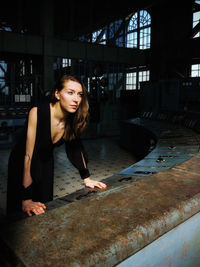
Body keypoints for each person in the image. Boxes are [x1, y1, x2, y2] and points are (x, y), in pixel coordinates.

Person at [7, 74, 107, 217]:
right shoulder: (38, 112)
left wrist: (87, 178)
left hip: (46, 160)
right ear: (57, 94)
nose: (76, 99)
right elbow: (29, 156)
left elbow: (75, 149)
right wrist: (26, 198)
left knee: (44, 205)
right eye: (70, 93)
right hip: (22, 161)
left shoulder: (72, 119)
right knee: (20, 211)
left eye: (80, 95)